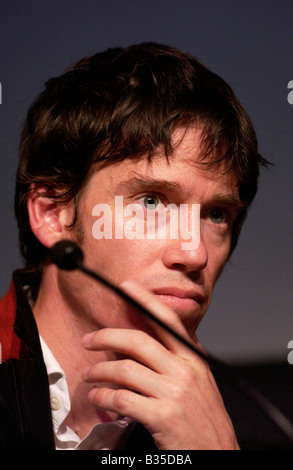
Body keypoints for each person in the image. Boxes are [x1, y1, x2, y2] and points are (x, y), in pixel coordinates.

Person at [0, 42, 268, 450]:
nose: (194, 253)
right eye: (152, 201)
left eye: (215, 214)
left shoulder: (252, 425)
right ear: (53, 216)